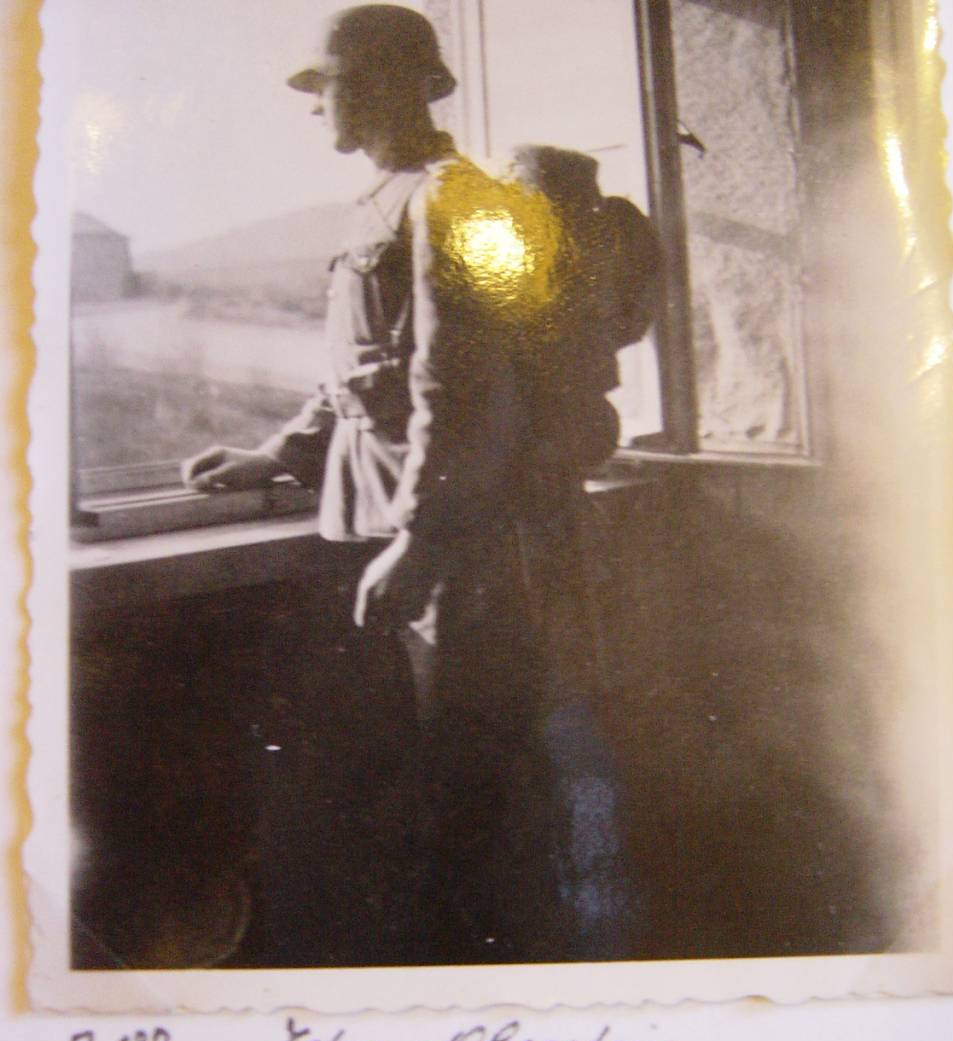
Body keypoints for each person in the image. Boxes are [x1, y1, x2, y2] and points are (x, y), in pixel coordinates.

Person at [183, 5, 645, 962]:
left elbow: (461, 388)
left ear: (389, 85)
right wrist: (280, 453)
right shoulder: (388, 201)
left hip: (457, 545)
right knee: (423, 778)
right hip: (392, 524)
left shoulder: (457, 200)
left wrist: (423, 540)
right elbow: (369, 368)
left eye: (329, 85)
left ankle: (490, 978)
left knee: (468, 781)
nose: (317, 106)